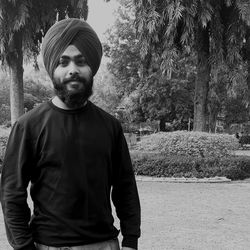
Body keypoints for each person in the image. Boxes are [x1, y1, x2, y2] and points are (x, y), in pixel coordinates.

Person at [0, 18, 141, 250]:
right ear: (53, 69)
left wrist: (131, 241)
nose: (72, 70)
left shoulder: (110, 127)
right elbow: (11, 195)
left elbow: (125, 188)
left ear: (91, 68)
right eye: (63, 62)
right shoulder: (29, 126)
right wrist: (24, 247)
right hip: (48, 245)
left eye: (81, 61)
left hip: (104, 244)